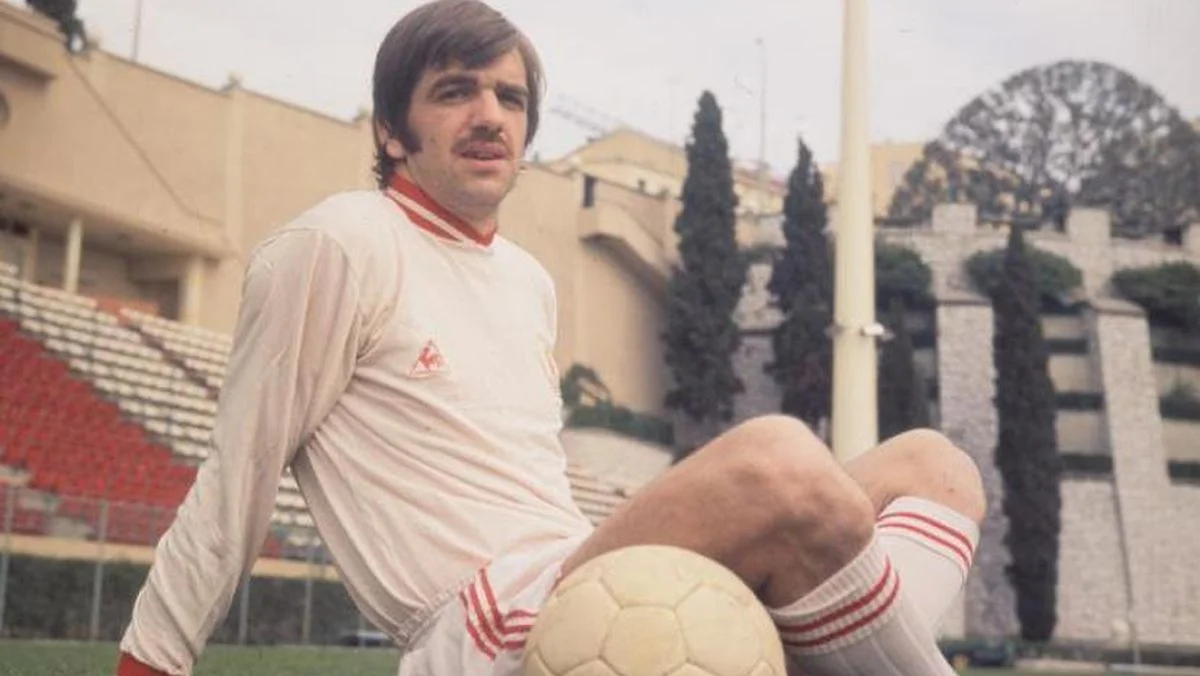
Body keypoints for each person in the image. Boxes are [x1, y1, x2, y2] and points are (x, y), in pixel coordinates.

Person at [115, 2, 986, 675]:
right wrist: (150, 660)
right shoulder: (339, 242)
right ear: (390, 130)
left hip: (581, 579)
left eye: (510, 97)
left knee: (936, 467)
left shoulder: (526, 280)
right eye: (454, 91)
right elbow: (235, 478)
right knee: (777, 460)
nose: (489, 114)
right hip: (479, 628)